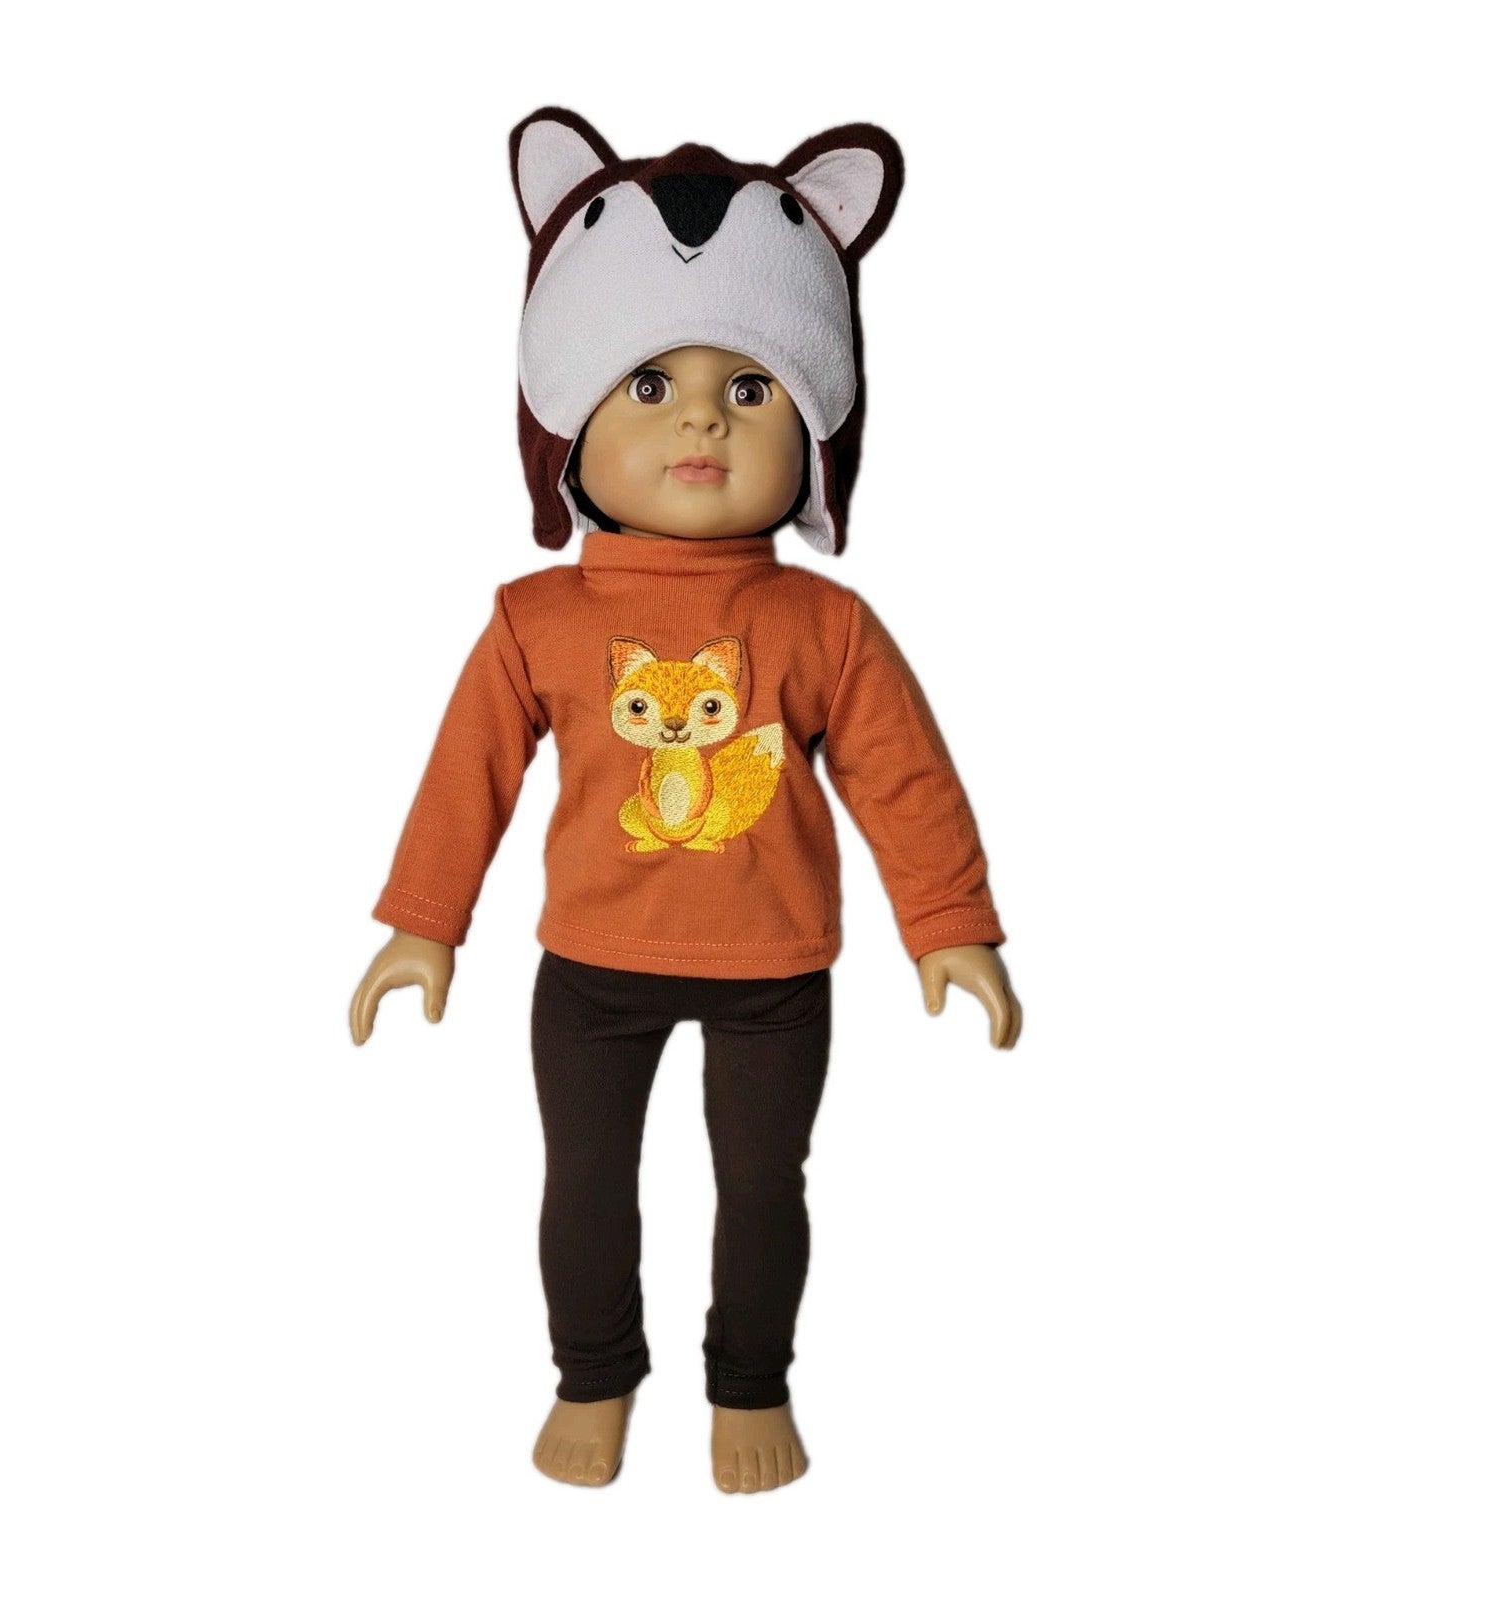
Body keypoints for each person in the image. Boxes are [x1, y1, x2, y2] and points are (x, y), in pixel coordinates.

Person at [350, 114, 1021, 1495]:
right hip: (591, 969)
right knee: (585, 1182)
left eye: (751, 386)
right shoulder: (535, 620)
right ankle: (593, 1374)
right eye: (650, 382)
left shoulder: (826, 627)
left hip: (774, 971)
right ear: (565, 427)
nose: (703, 417)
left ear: (816, 439)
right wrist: (424, 922)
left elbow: (905, 781)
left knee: (765, 1186)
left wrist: (951, 923)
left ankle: (750, 1385)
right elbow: (466, 776)